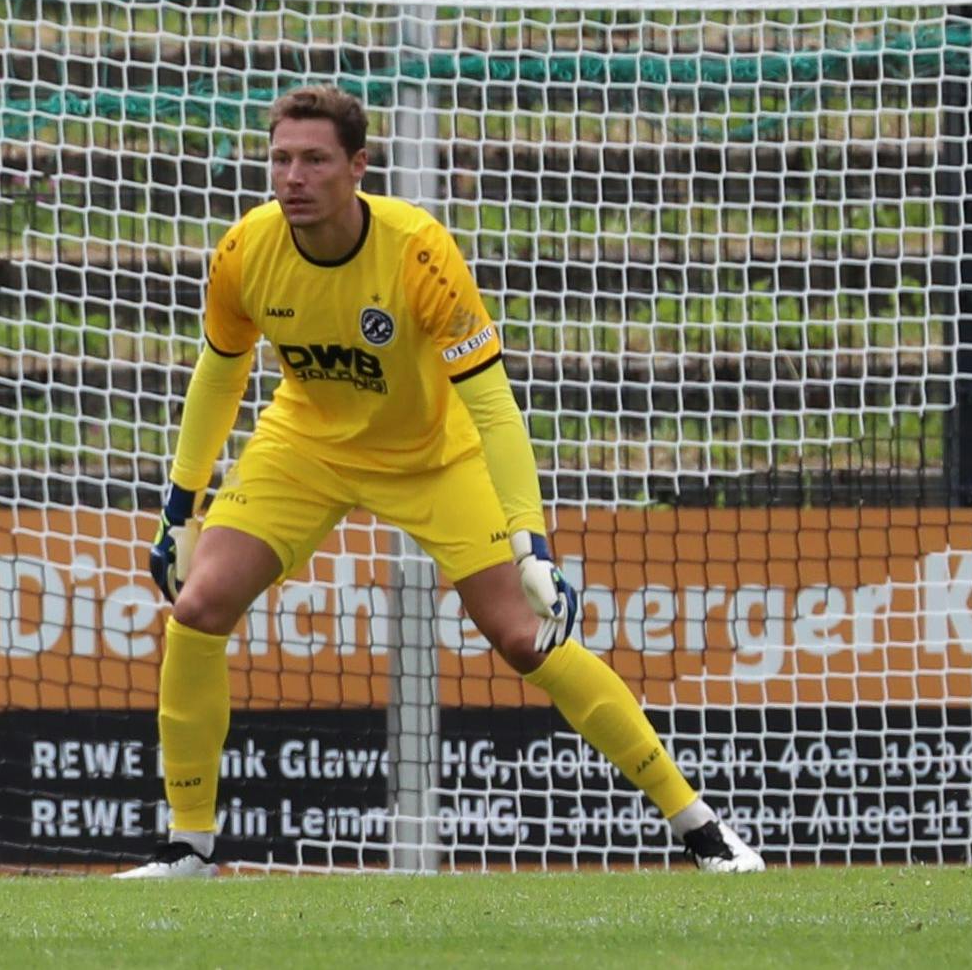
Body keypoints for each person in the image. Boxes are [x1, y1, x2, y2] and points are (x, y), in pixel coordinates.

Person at [115, 85, 764, 879]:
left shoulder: (417, 249)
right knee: (198, 606)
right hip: (304, 444)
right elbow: (219, 373)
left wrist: (529, 538)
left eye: (315, 159)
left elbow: (490, 402)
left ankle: (699, 827)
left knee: (527, 638)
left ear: (358, 166)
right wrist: (182, 504)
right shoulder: (245, 249)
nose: (293, 177)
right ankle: (189, 844)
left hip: (432, 454)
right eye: (281, 158)